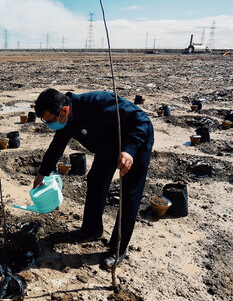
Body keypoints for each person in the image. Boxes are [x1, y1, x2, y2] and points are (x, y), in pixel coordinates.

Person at [33, 88, 154, 270]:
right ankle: (91, 230)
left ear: (64, 111)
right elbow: (57, 146)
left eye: (49, 120)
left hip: (135, 141)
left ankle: (117, 248)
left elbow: (140, 121)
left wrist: (129, 150)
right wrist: (43, 172)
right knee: (96, 181)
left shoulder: (99, 102)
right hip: (107, 146)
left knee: (129, 194)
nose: (49, 125)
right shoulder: (66, 119)